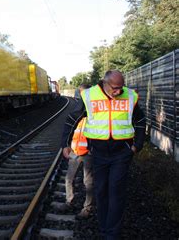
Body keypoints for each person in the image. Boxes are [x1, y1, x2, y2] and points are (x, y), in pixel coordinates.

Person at [61, 70, 146, 240]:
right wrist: (65, 143)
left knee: (116, 191)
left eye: (121, 87)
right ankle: (103, 226)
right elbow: (72, 118)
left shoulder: (129, 96)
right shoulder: (90, 96)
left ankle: (112, 233)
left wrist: (137, 145)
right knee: (101, 190)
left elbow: (140, 120)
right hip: (98, 153)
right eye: (115, 88)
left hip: (122, 153)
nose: (118, 91)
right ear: (105, 83)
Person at [62, 83, 94, 219]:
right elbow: (69, 129)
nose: (82, 98)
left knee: (88, 182)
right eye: (80, 95)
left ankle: (87, 209)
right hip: (75, 150)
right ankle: (69, 202)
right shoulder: (76, 111)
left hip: (89, 152)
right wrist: (66, 145)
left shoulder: (96, 112)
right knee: (69, 178)